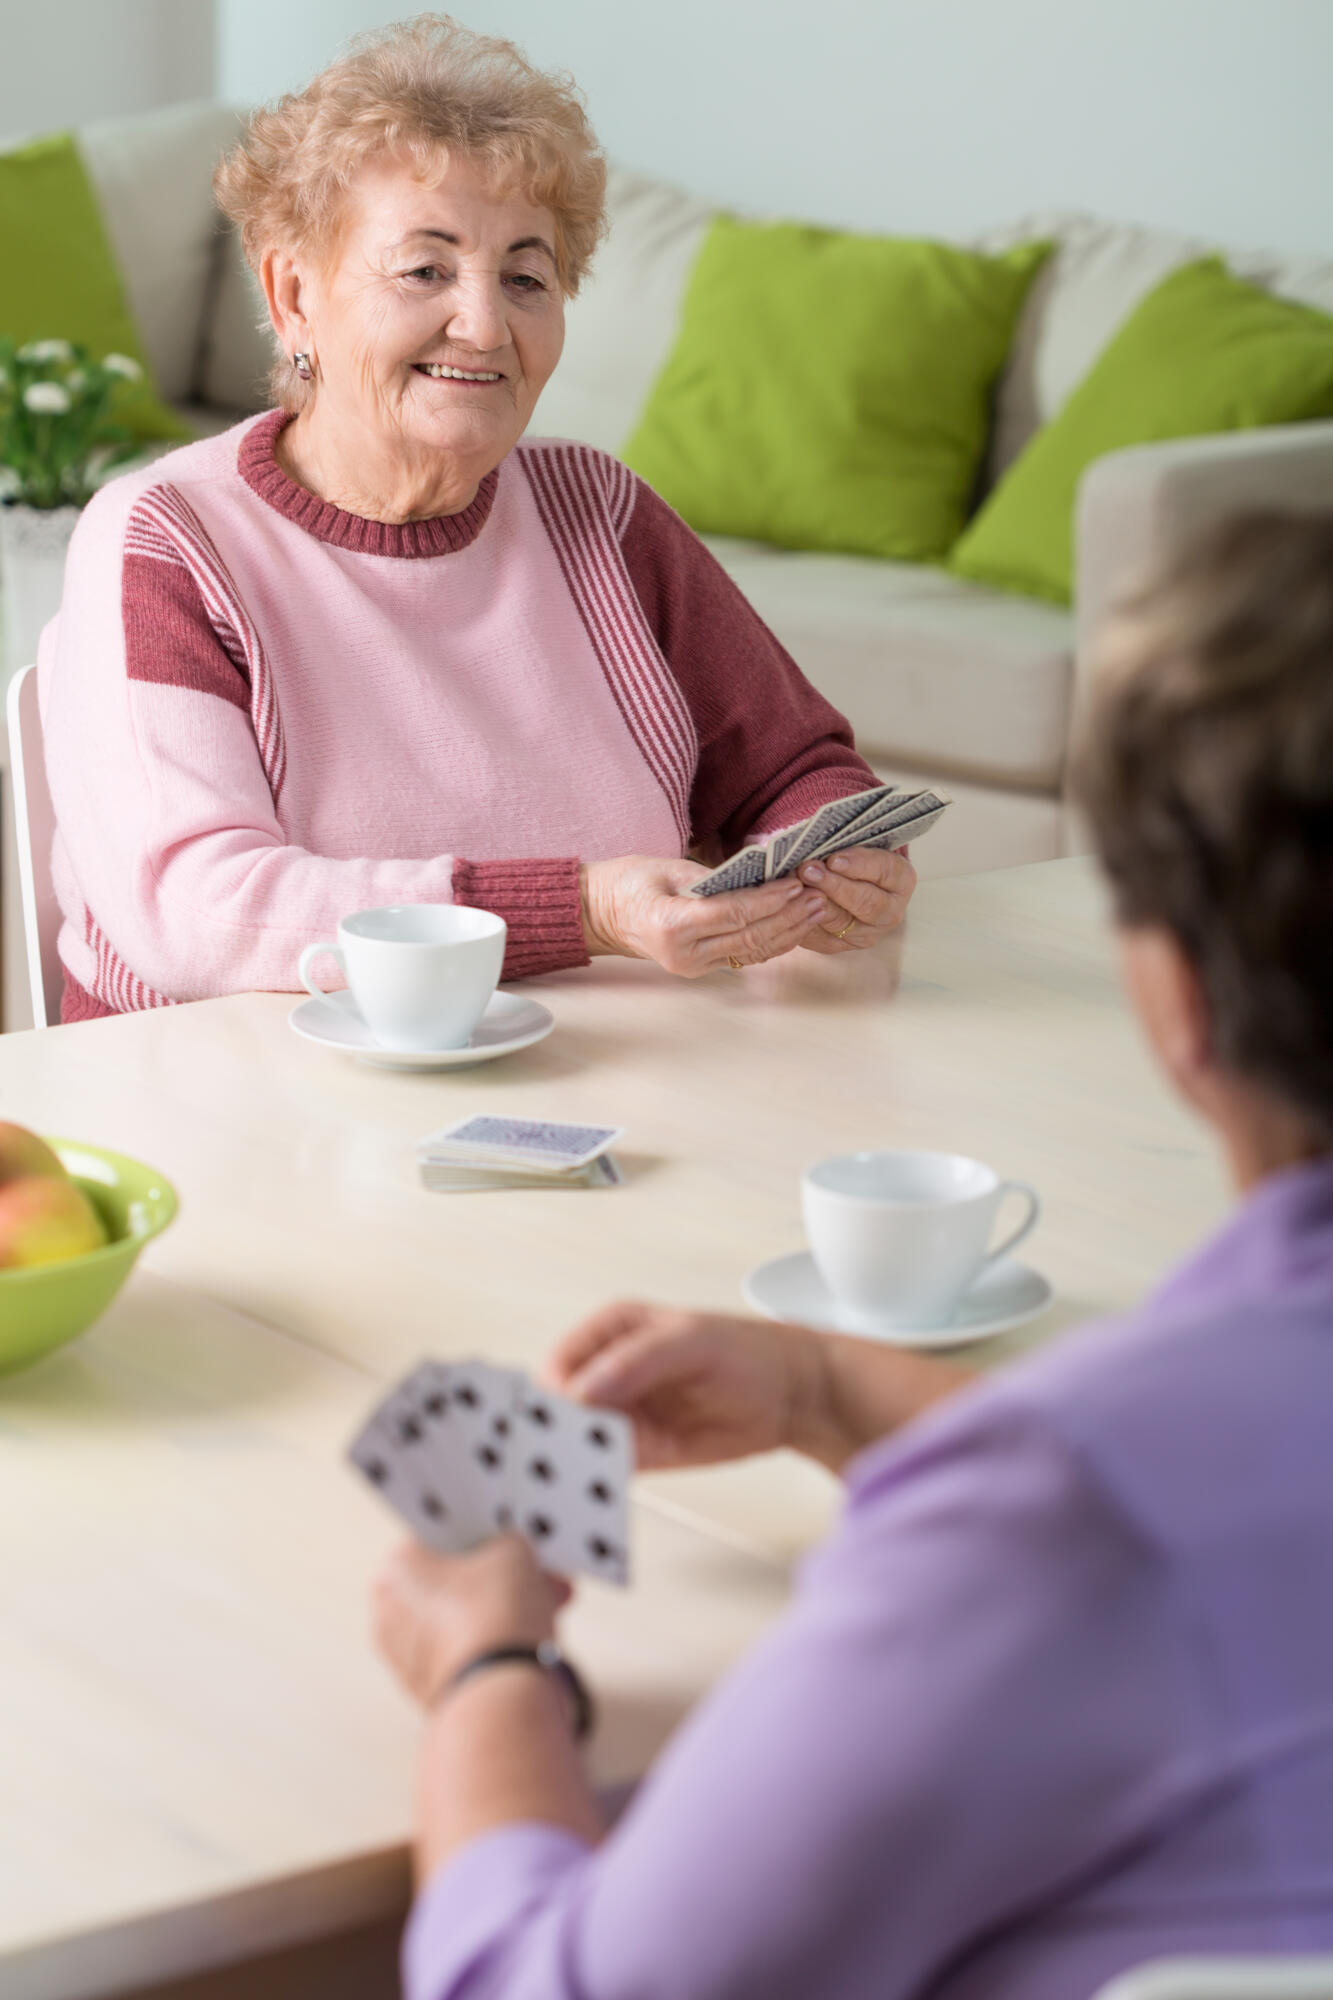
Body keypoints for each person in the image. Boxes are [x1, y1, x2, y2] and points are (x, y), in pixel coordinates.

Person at [371, 512, 1333, 1999]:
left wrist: (483, 1668)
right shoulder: (1130, 1483)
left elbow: (546, 1987)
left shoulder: (1071, 1517)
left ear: (1171, 999)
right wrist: (834, 1390)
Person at [38, 16, 913, 1025]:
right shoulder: (167, 540)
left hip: (596, 1089)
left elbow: (798, 768)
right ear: (292, 293)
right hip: (235, 1117)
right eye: (426, 269)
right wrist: (581, 909)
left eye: (526, 277)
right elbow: (194, 917)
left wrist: (841, 854)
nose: (486, 325)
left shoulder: (602, 514)